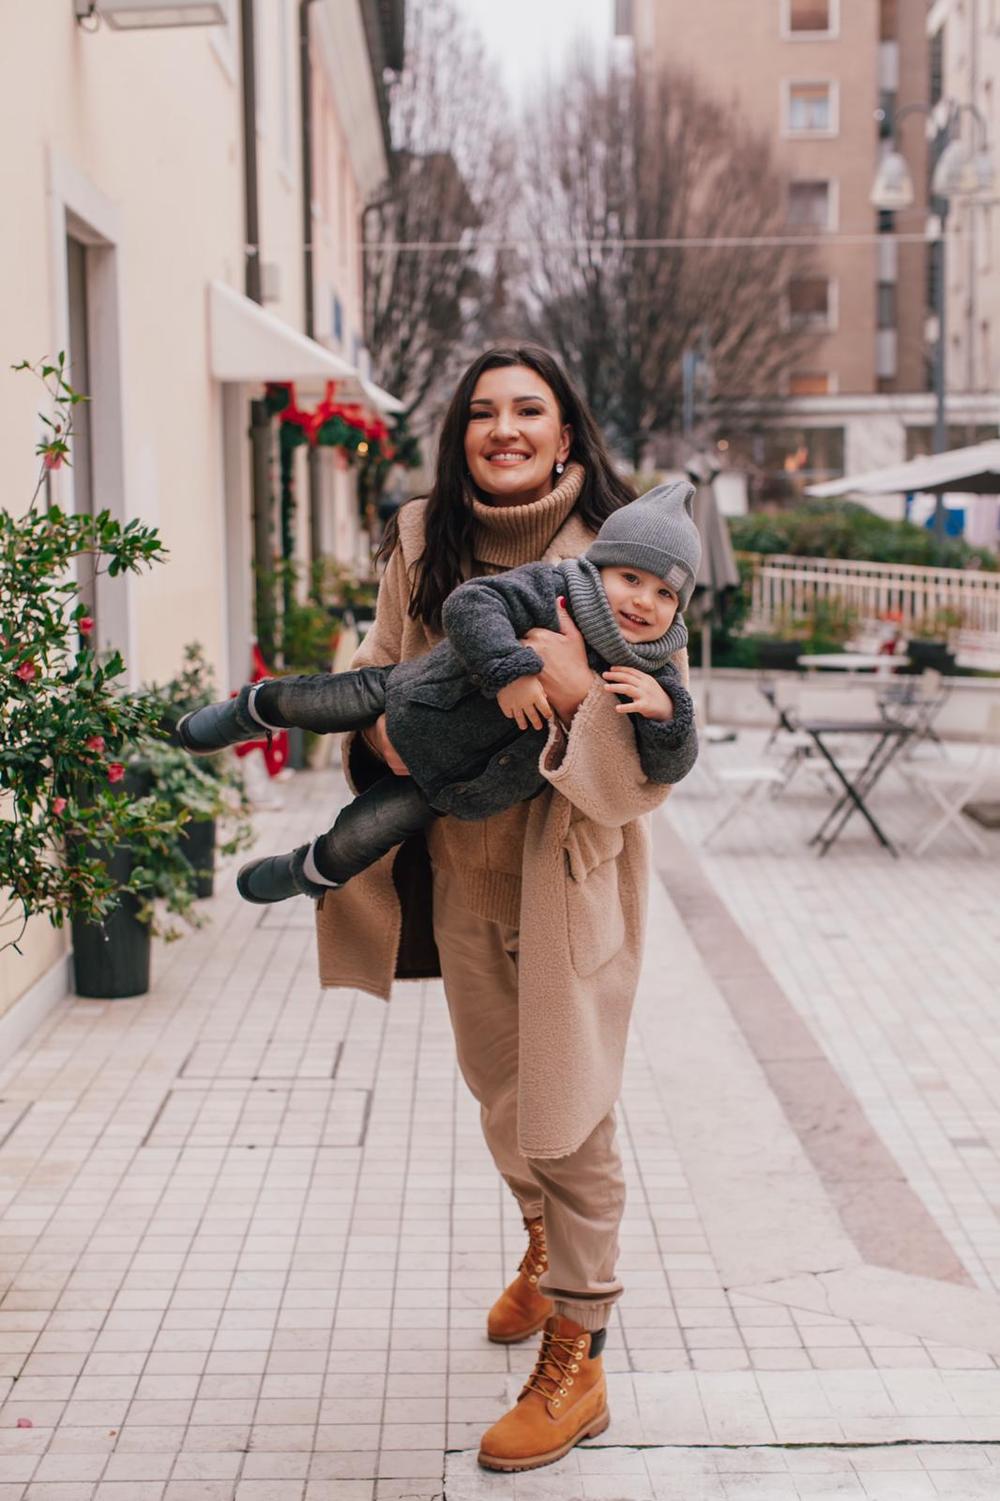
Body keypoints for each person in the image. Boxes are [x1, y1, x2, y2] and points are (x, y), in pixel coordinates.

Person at [257, 346, 694, 1473]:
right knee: (500, 1089)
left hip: (569, 869)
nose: (503, 430)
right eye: (482, 414)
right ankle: (542, 1242)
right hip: (459, 857)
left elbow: (655, 749)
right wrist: (386, 729)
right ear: (460, 436)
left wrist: (562, 689)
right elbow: (382, 667)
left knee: (570, 1107)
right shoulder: (422, 539)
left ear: (566, 433)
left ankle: (579, 1346)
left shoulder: (621, 550)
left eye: (529, 411)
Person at [176, 482, 701, 905]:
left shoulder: (650, 668)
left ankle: (306, 870)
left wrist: (665, 716)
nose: (643, 602)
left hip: (457, 786)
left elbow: (667, 768)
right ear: (600, 566)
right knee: (313, 699)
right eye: (630, 577)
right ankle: (251, 710)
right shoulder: (553, 587)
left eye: (664, 594)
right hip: (405, 694)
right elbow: (472, 604)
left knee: (363, 835)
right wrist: (512, 670)